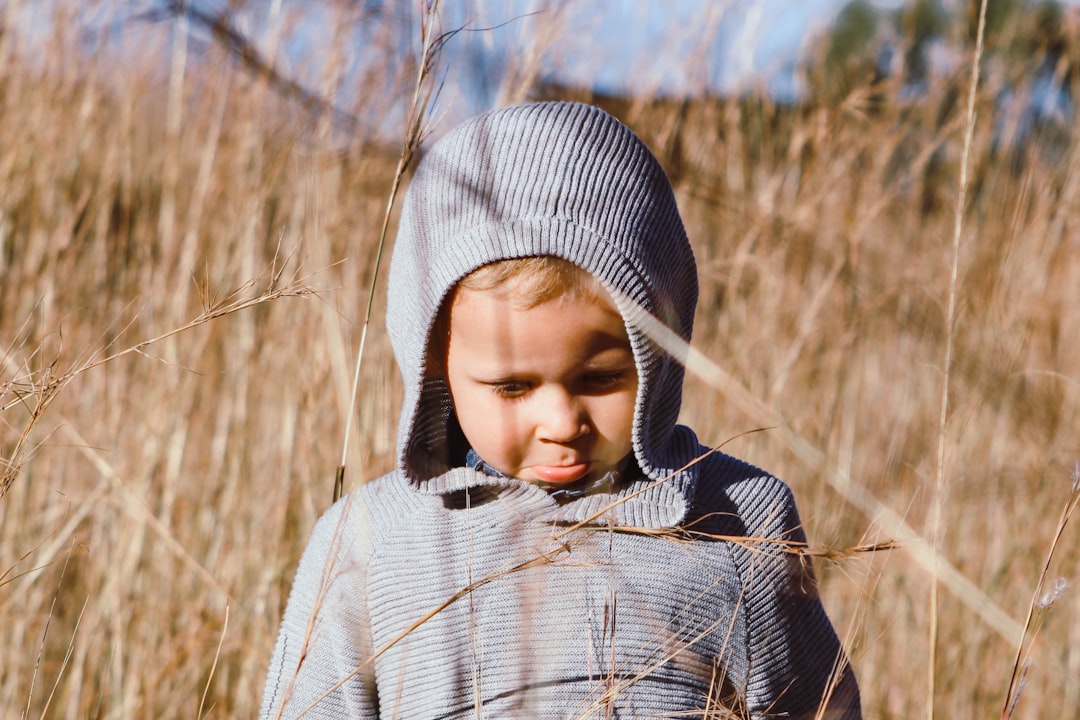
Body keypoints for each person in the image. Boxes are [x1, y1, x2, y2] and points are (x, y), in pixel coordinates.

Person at [260, 101, 861, 719]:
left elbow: (821, 709)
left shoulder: (736, 522)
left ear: (660, 349)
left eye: (600, 377)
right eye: (513, 387)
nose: (561, 424)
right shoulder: (365, 541)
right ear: (434, 363)